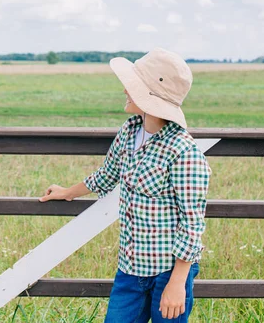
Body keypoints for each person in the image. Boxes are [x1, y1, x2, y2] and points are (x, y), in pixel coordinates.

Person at [40, 48, 210, 323]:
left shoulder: (183, 152)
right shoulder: (129, 131)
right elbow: (107, 175)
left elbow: (192, 224)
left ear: (150, 98)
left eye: (133, 86)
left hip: (169, 272)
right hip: (130, 268)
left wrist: (178, 283)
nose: (125, 91)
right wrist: (67, 192)